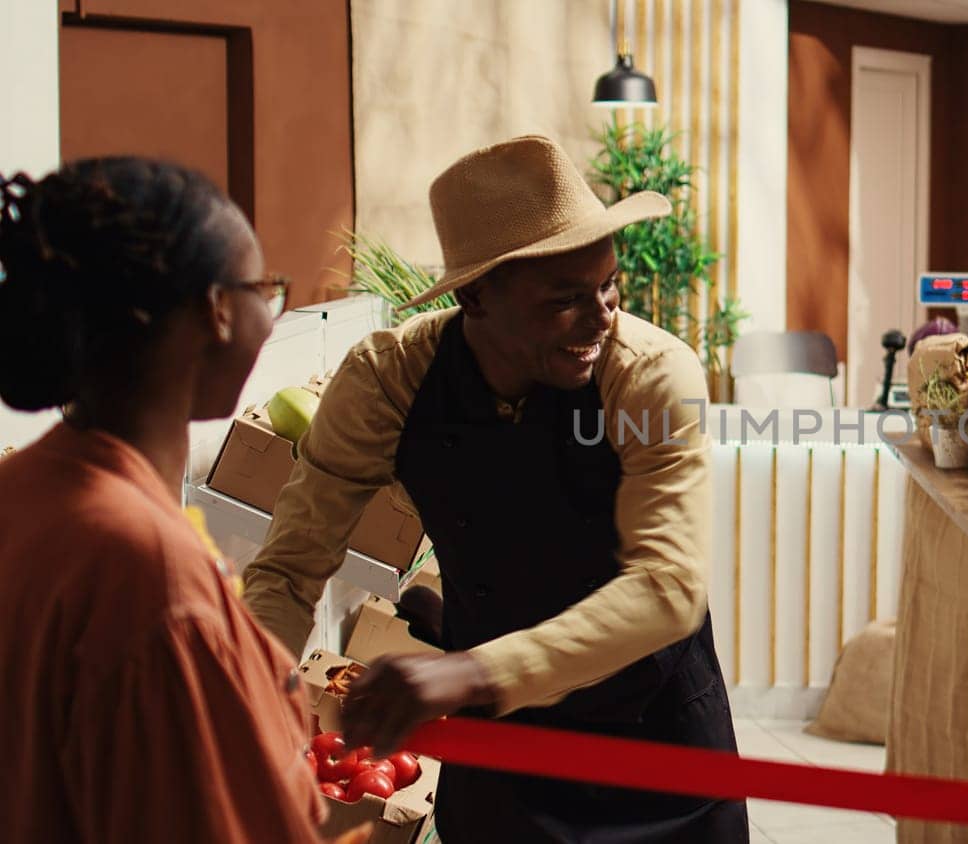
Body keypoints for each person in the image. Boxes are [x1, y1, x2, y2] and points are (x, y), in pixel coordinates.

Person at [241, 135, 748, 841]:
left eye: (609, 286)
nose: (601, 316)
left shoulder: (650, 375)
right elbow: (290, 566)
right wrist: (247, 700)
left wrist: (472, 674)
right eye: (564, 300)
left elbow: (668, 588)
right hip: (503, 763)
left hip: (659, 750)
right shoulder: (389, 381)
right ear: (476, 295)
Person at [0, 158, 337, 841]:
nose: (270, 316)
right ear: (216, 310)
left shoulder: (25, 490)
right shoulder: (149, 574)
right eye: (263, 290)